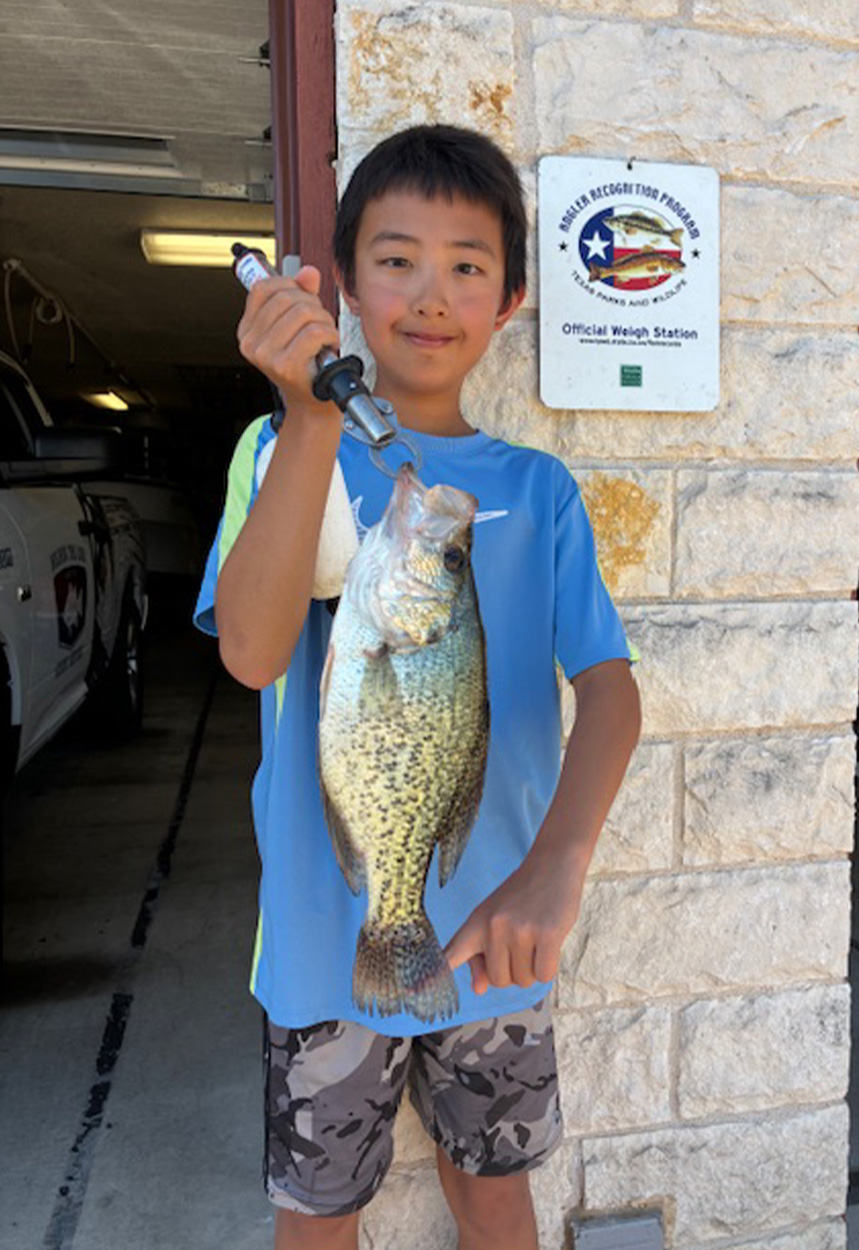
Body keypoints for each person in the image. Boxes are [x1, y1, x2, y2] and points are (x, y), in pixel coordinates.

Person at [194, 123, 641, 1250]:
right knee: (319, 1213)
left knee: (495, 1190)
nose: (430, 293)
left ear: (511, 300)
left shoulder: (537, 491)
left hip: (500, 941)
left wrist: (556, 865)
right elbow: (250, 651)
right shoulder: (280, 445)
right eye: (395, 258)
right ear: (344, 281)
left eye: (467, 265)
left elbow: (613, 689)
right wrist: (307, 416)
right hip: (316, 941)